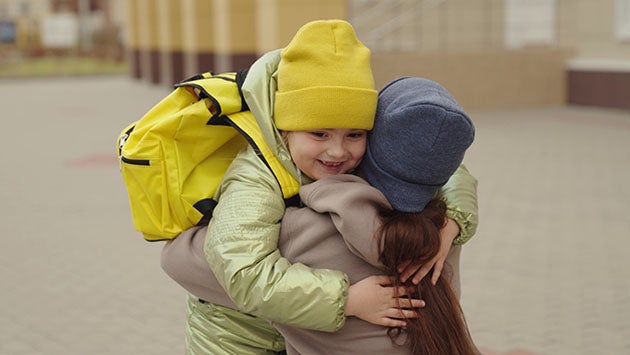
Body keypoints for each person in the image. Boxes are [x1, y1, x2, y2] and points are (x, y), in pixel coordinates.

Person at [177, 20, 479, 354]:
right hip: (238, 340)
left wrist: (454, 223)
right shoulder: (255, 178)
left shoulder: (339, 158)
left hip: (293, 331)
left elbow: (443, 166)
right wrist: (347, 299)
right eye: (319, 134)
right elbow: (245, 274)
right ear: (286, 128)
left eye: (354, 134)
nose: (337, 151)